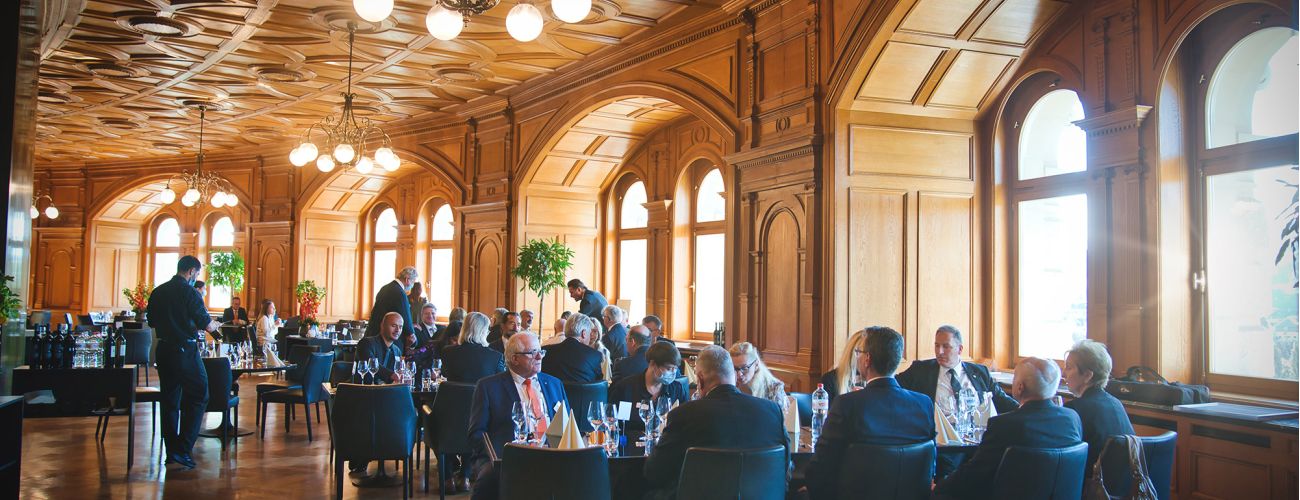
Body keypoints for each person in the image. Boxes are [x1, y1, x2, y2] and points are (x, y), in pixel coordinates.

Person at [805, 326, 936, 499]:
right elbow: (930, 464)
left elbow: (822, 466)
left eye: (858, 352)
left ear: (867, 359)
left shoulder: (847, 404)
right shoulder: (923, 404)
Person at [644, 345, 788, 499]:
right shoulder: (772, 411)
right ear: (733, 375)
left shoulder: (684, 415)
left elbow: (655, 472)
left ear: (700, 380)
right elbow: (785, 466)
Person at [934, 357, 1084, 499]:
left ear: (1020, 387)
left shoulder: (1004, 425)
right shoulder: (1072, 419)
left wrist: (939, 487)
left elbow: (974, 474)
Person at [468, 332, 567, 500]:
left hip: (553, 453)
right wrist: (498, 457)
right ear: (514, 359)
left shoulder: (554, 384)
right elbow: (476, 433)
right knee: (489, 478)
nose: (539, 357)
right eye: (532, 353)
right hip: (509, 456)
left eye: (541, 352)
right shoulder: (488, 387)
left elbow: (567, 425)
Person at [147, 255, 222, 470]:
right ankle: (183, 448)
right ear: (191, 271)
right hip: (184, 349)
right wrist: (215, 325)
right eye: (196, 274)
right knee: (200, 394)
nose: (195, 277)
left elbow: (151, 321)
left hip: (163, 349)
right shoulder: (190, 293)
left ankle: (172, 451)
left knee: (170, 399)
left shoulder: (158, 291)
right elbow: (206, 324)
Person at [896, 325, 1018, 414]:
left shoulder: (981, 373)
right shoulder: (920, 370)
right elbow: (892, 385)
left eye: (946, 346)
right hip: (935, 436)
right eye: (937, 345)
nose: (939, 351)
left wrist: (1027, 410)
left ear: (960, 349)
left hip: (975, 436)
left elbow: (1005, 403)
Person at [1064, 339, 1134, 473]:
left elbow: (1065, 457)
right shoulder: (1116, 403)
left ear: (1087, 375)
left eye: (1068, 367)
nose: (1063, 373)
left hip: (1092, 482)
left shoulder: (1074, 409)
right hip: (1122, 483)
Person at [608, 342, 688, 438]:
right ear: (652, 364)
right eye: (669, 368)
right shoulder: (626, 387)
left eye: (675, 369)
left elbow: (685, 422)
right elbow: (613, 420)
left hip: (665, 442)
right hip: (631, 442)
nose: (673, 373)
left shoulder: (676, 389)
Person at [441, 312, 506, 383]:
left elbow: (444, 374)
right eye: (487, 329)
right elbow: (502, 382)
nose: (488, 332)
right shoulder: (496, 357)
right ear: (483, 331)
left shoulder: (447, 352)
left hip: (454, 390)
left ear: (464, 328)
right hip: (482, 390)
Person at [540, 313, 604, 383]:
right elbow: (599, 384)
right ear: (584, 333)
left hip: (554, 390)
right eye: (589, 333)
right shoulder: (595, 356)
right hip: (582, 390)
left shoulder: (546, 351)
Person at [364, 266, 418, 341]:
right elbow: (405, 317)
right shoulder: (400, 293)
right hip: (387, 338)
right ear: (407, 279)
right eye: (413, 282)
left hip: (374, 334)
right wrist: (411, 334)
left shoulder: (384, 288)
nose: (412, 286)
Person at [729, 342, 787, 407]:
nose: (739, 374)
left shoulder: (774, 388)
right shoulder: (729, 385)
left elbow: (781, 413)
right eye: (735, 368)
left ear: (756, 364)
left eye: (744, 368)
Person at [820, 329, 868, 405]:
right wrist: (847, 400)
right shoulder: (830, 379)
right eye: (865, 354)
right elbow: (824, 411)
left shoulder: (874, 380)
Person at [355, 312, 404, 385]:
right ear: (382, 325)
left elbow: (399, 372)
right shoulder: (366, 343)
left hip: (387, 390)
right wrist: (392, 375)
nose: (398, 330)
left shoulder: (397, 350)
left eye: (400, 327)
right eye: (394, 325)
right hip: (364, 389)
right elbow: (372, 365)